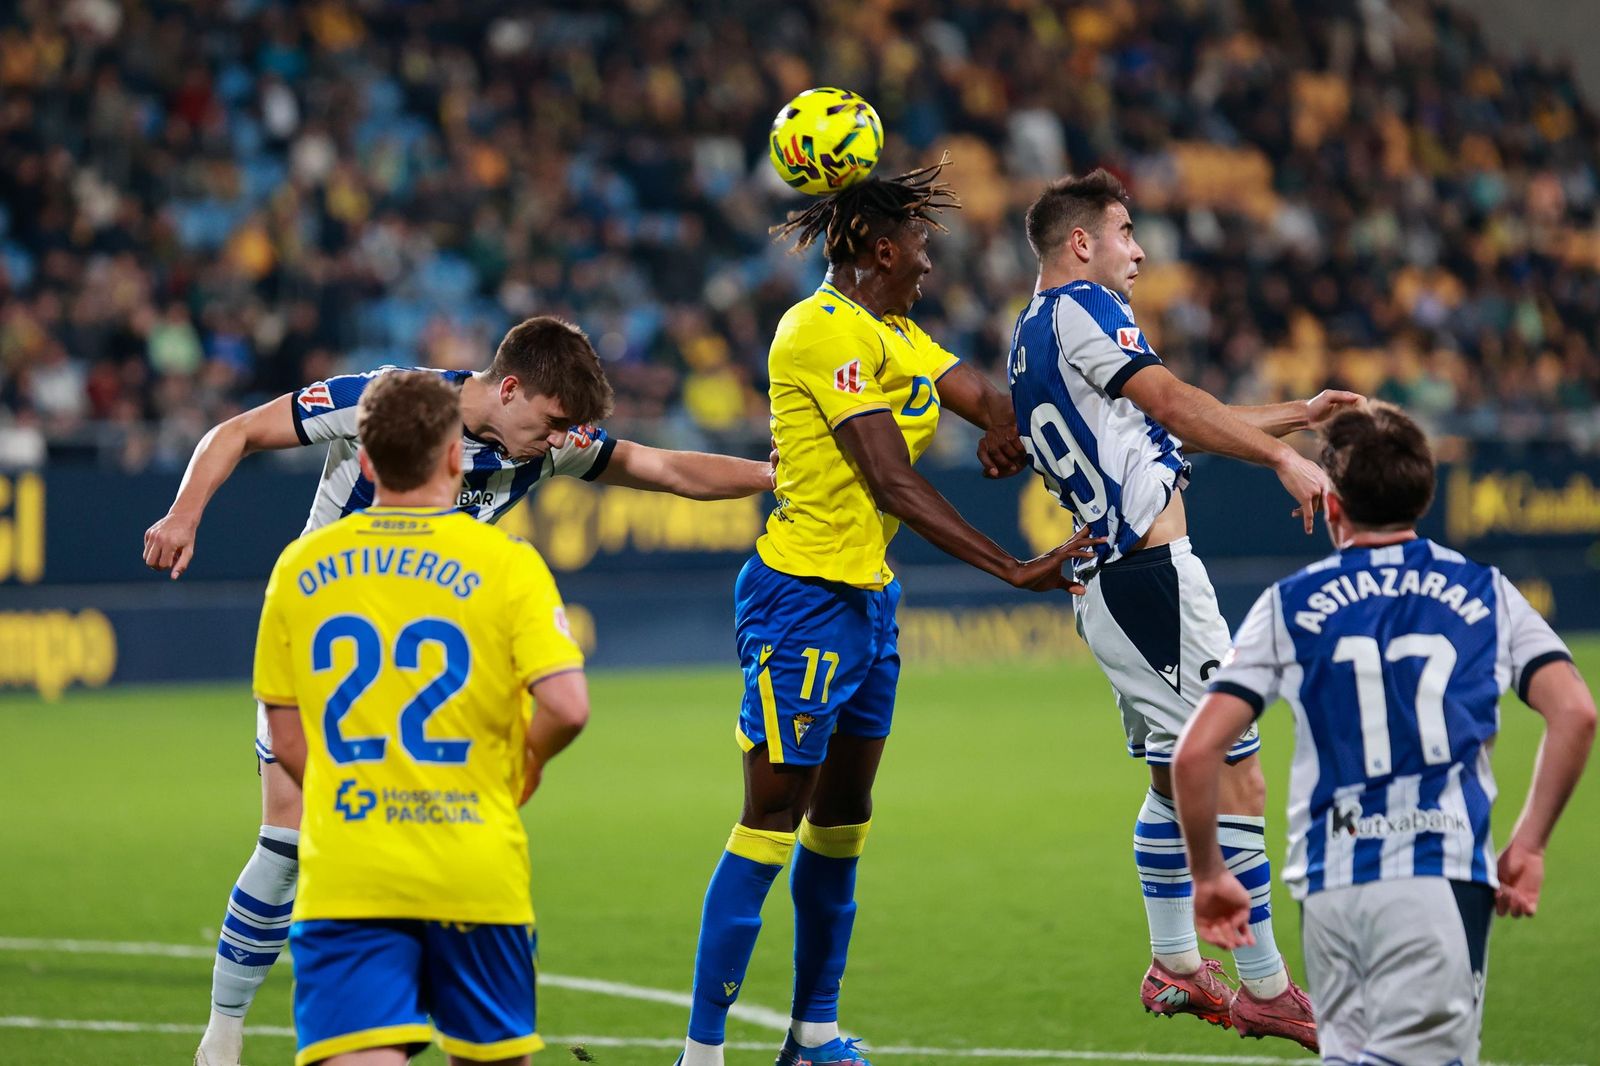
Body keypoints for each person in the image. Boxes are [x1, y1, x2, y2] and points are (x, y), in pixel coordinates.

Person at [143, 315, 774, 1066]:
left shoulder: (547, 442)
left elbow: (663, 469)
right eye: (551, 421)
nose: (558, 439)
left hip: (428, 669)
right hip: (333, 643)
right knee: (284, 844)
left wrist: (770, 477)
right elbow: (238, 430)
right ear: (509, 389)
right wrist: (184, 513)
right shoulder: (392, 405)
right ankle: (222, 1032)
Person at [675, 160, 1098, 1066]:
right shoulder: (818, 332)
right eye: (919, 247)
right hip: (801, 603)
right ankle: (701, 1055)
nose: (928, 264)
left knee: (845, 819)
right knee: (770, 820)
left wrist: (1010, 426)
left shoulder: (893, 332)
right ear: (878, 247)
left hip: (868, 602)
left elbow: (984, 397)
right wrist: (1012, 567)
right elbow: (891, 479)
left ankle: (812, 1035)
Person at [1006, 169, 1360, 1049]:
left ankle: (1173, 963)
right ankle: (1268, 985)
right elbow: (1173, 404)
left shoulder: (1034, 331)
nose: (1140, 249)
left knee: (1174, 775)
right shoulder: (1085, 307)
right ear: (1081, 243)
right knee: (1235, 768)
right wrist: (1285, 461)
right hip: (1150, 574)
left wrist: (1296, 416)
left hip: (1117, 583)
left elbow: (1172, 423)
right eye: (1126, 230)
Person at [1173, 402, 1595, 1065]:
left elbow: (1197, 751)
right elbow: (1576, 712)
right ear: (1422, 497)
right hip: (1439, 873)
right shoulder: (1485, 591)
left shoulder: (1289, 603)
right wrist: (1530, 844)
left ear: (1332, 507)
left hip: (1328, 884)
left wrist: (1208, 874)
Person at [255, 370, 591, 1065]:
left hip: (350, 865)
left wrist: (351, 798)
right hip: (473, 860)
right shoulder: (508, 562)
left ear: (367, 462)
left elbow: (284, 733)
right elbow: (566, 706)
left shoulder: (299, 568)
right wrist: (522, 767)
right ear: (451, 459)